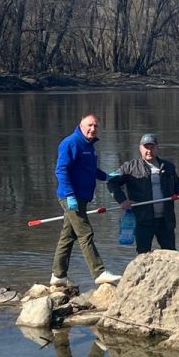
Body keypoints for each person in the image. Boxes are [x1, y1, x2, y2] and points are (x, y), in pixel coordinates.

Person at [51, 113, 120, 287]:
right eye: (89, 125)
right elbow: (61, 170)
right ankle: (99, 272)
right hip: (70, 197)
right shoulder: (71, 143)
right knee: (85, 233)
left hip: (82, 197)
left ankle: (58, 276)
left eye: (96, 126)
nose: (93, 129)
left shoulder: (89, 146)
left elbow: (90, 170)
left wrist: (107, 177)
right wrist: (69, 195)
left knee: (67, 236)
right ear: (81, 126)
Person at [107, 133, 179, 254]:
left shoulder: (168, 167)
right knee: (143, 255)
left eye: (152, 147)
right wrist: (122, 200)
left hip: (166, 221)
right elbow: (111, 182)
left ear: (157, 148)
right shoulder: (129, 167)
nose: (149, 151)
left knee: (171, 254)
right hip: (143, 220)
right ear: (140, 148)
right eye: (146, 147)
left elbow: (178, 187)